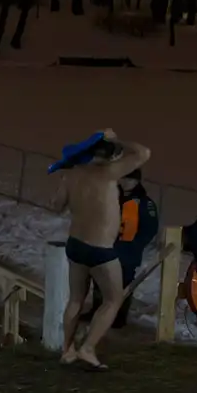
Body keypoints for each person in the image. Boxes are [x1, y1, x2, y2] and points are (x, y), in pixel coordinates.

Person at [50, 129, 150, 370]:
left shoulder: (71, 175)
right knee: (114, 299)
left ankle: (67, 350)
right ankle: (87, 348)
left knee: (75, 299)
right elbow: (144, 152)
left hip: (75, 244)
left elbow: (56, 207)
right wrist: (117, 139)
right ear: (113, 156)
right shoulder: (109, 173)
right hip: (100, 249)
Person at [79, 168, 160, 328]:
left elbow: (149, 229)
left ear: (137, 181)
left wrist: (133, 245)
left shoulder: (145, 203)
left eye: (130, 179)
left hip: (127, 253)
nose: (126, 182)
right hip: (105, 248)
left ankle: (119, 317)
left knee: (122, 284)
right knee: (99, 280)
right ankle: (97, 311)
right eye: (124, 178)